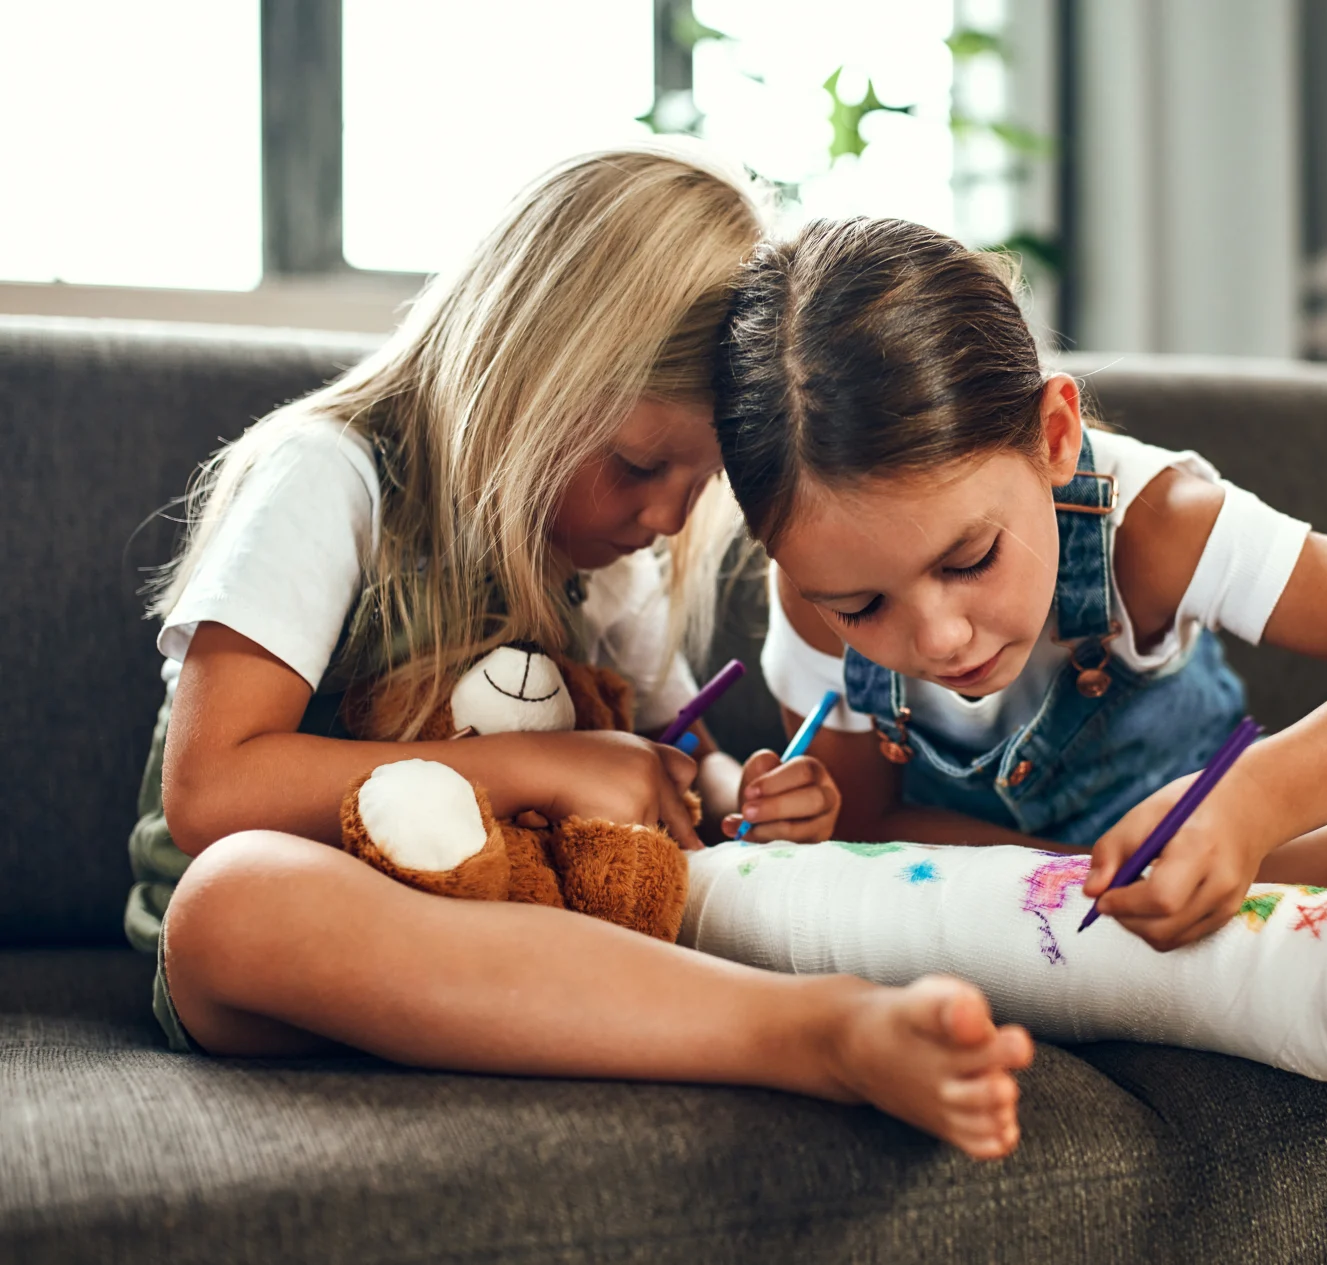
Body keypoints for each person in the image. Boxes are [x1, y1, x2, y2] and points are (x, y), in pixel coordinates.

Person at [136, 151, 1032, 1162]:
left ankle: (821, 1024)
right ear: (525, 368)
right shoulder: (333, 479)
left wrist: (746, 796)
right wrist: (534, 764)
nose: (660, 516)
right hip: (305, 953)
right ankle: (808, 1033)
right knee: (236, 900)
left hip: (531, 927)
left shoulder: (606, 562)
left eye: (695, 489)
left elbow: (668, 757)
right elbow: (210, 793)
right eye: (640, 465)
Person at [713, 217, 1327, 954]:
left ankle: (1191, 878)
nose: (938, 638)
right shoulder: (811, 594)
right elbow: (872, 822)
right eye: (861, 606)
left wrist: (1247, 806)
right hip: (1013, 878)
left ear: (1056, 435)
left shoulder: (1157, 526)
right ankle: (1135, 899)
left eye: (968, 561)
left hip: (1196, 818)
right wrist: (811, 815)